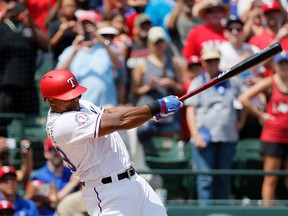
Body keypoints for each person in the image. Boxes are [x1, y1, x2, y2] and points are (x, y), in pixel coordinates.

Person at [39, 69, 182, 215]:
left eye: (76, 94)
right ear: (52, 100)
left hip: (134, 181)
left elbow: (110, 113)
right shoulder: (61, 124)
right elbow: (121, 121)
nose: (75, 99)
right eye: (69, 97)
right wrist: (155, 107)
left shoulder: (79, 105)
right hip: (107, 193)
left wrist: (147, 115)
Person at [185, 48, 245, 204]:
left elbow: (245, 98)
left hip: (227, 136)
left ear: (219, 61)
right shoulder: (197, 82)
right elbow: (190, 110)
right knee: (205, 178)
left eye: (215, 60)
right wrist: (195, 135)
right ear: (203, 63)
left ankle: (222, 212)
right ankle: (205, 212)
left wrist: (241, 122)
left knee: (223, 178)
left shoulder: (231, 80)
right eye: (208, 61)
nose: (212, 63)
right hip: (205, 136)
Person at [238, 51, 288, 207]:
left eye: (286, 64)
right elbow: (244, 98)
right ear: (275, 66)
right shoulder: (269, 82)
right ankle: (267, 210)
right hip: (273, 136)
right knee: (271, 177)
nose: (284, 67)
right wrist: (261, 115)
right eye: (281, 64)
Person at [0, 0, 48, 136]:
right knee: (2, 125)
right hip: (5, 86)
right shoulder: (2, 26)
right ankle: (3, 155)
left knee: (33, 124)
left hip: (27, 85)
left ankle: (33, 153)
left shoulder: (29, 26)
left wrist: (31, 24)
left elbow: (47, 45)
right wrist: (3, 15)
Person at [56, 10, 123, 107]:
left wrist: (99, 38)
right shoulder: (70, 50)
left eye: (90, 25)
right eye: (83, 25)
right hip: (82, 107)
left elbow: (119, 64)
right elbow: (58, 75)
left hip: (106, 106)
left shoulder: (105, 48)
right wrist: (74, 51)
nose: (86, 28)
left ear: (96, 27)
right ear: (77, 28)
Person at [132, 26, 184, 144]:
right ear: (150, 44)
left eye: (161, 42)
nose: (159, 45)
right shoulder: (142, 64)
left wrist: (171, 83)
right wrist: (148, 87)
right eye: (156, 43)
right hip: (149, 114)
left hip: (168, 115)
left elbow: (181, 89)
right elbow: (135, 91)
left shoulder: (174, 62)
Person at [29, 137, 80, 215]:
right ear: (46, 153)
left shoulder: (71, 172)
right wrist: (72, 183)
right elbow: (53, 201)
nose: (55, 153)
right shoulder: (38, 176)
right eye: (51, 149)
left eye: (58, 149)